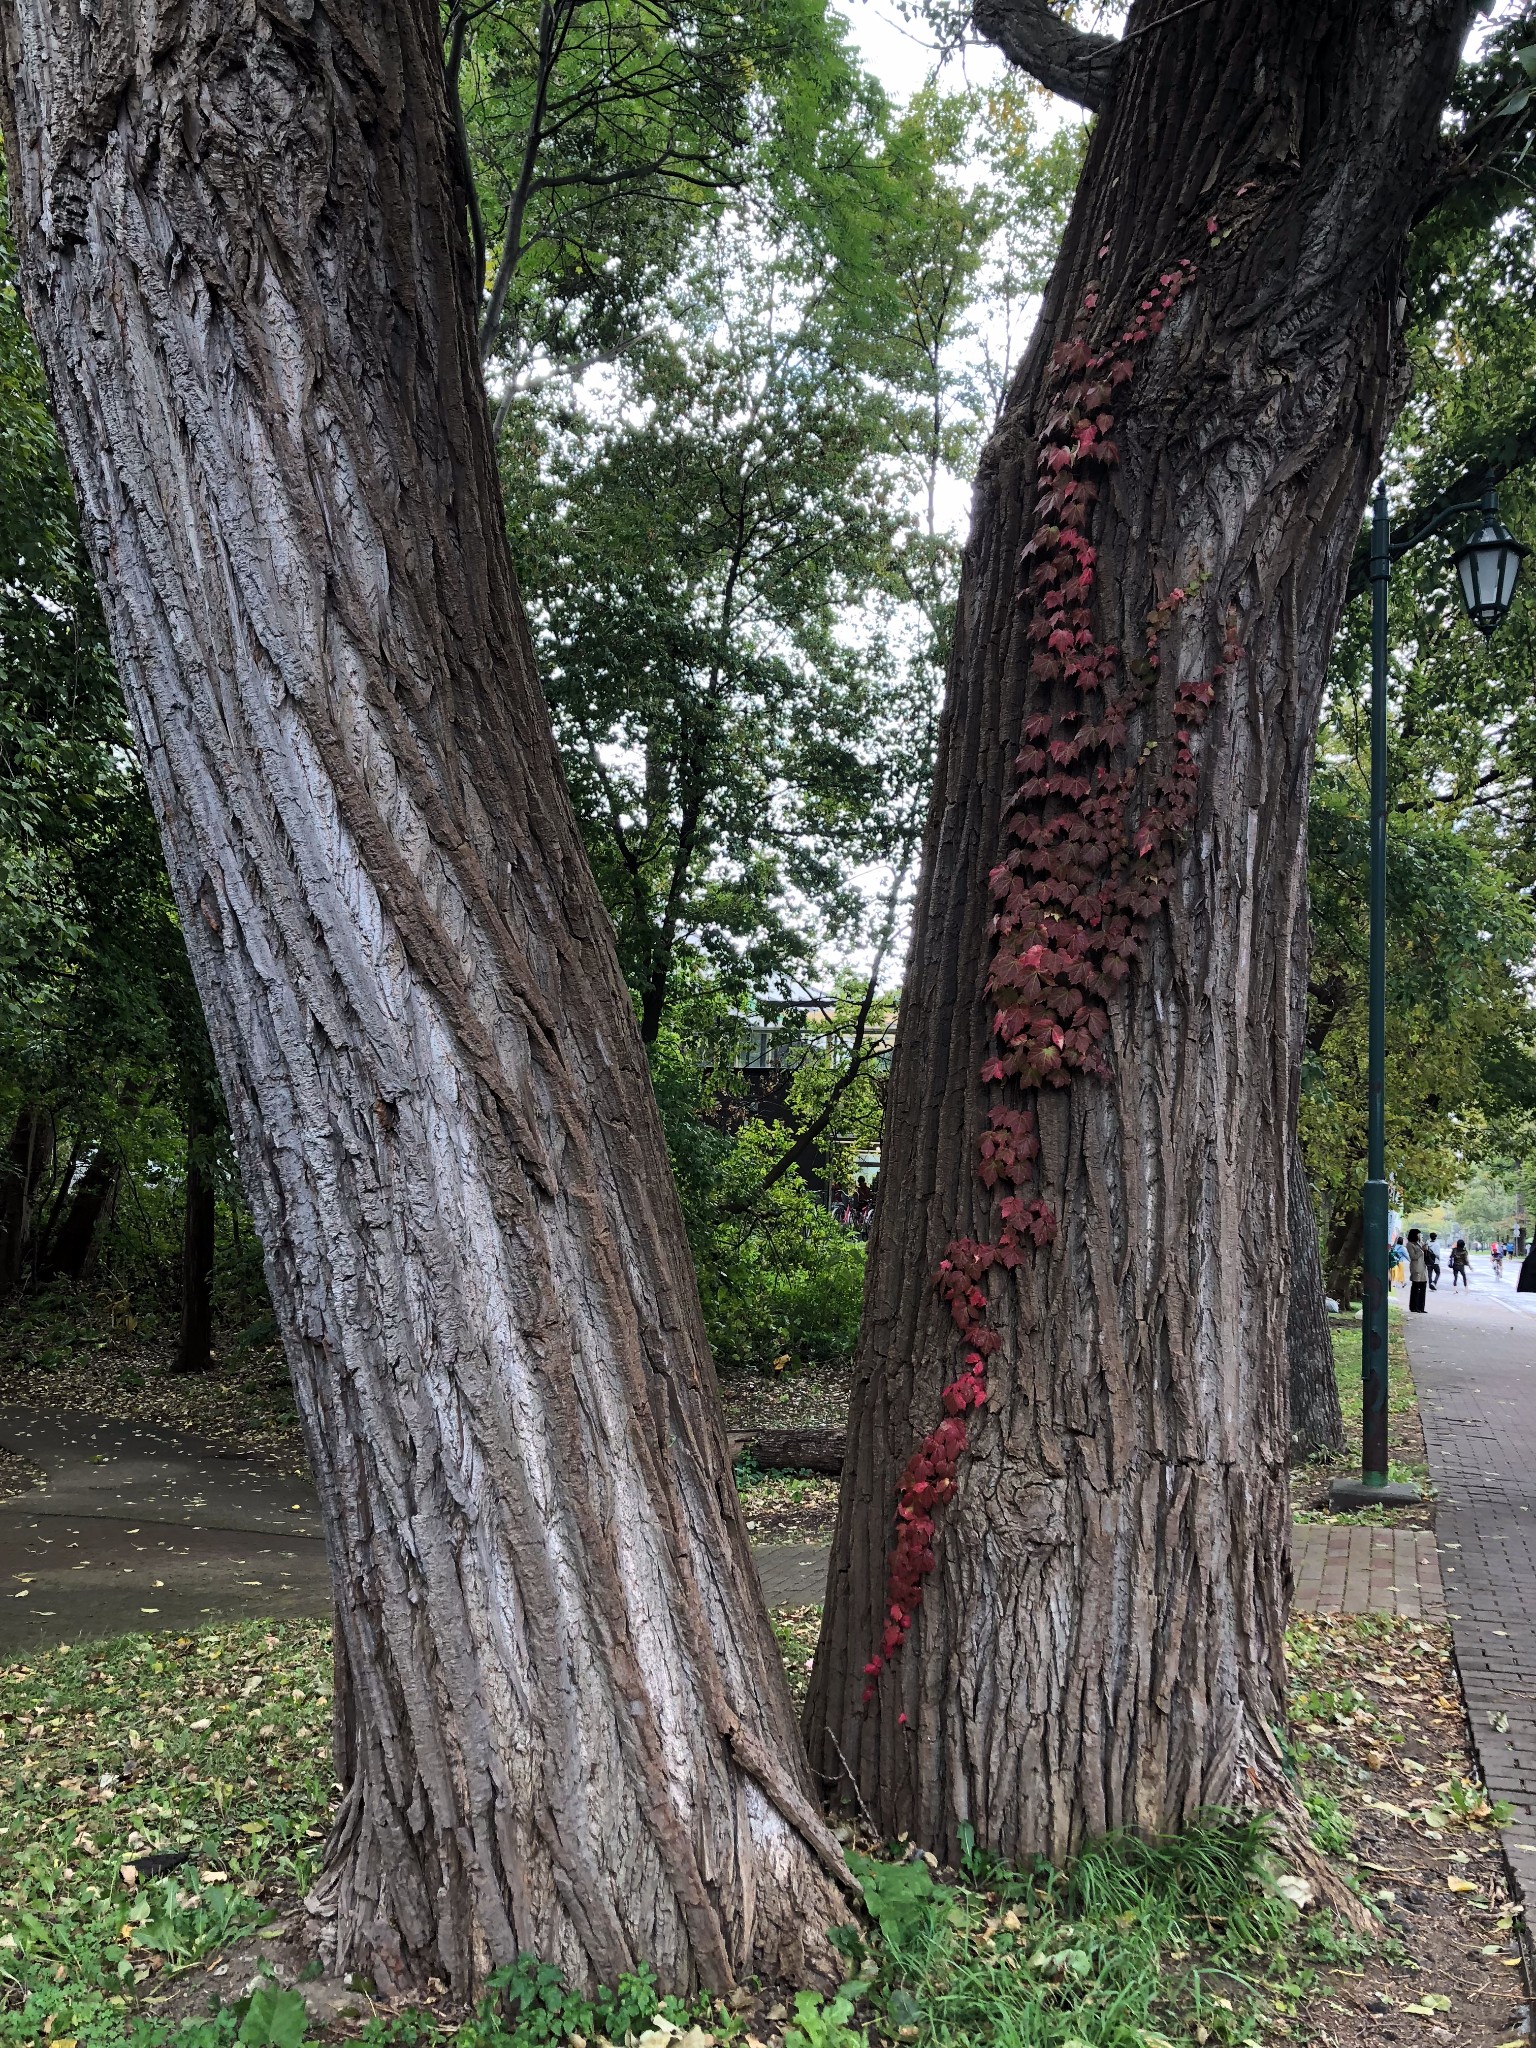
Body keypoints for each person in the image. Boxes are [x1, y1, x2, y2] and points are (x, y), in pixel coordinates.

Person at [1406, 1228, 1428, 1313]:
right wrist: (1421, 1250)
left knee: (1423, 1287)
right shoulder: (1410, 1244)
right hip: (1416, 1268)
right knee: (1416, 1287)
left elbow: (1425, 1253)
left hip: (1423, 1267)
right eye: (1418, 1234)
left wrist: (1425, 1249)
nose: (1419, 1236)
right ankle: (1413, 1307)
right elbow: (1413, 1256)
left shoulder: (1420, 1243)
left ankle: (1421, 1307)